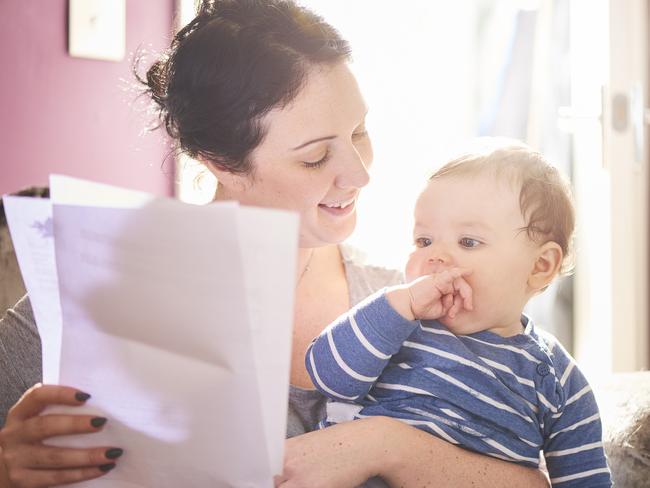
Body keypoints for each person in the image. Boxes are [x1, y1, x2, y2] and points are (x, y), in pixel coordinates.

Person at [0, 1, 551, 486]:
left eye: (359, 132)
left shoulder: (415, 301)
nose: (358, 174)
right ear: (221, 164)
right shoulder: (81, 303)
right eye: (315, 156)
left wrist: (388, 446)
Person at [306, 142, 612, 487]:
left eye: (468, 242)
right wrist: (399, 305)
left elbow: (586, 481)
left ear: (540, 266)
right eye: (424, 241)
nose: (436, 258)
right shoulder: (400, 323)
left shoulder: (558, 379)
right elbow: (327, 376)